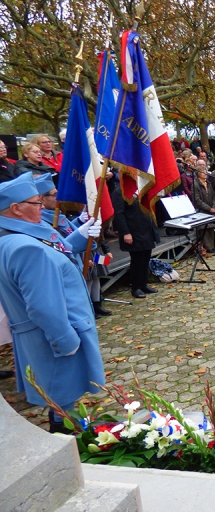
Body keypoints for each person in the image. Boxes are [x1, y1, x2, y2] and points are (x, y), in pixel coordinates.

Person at [0, 172, 105, 432]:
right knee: (63, 399)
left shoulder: (14, 238)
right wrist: (66, 341)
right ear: (16, 209)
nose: (41, 207)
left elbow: (54, 253)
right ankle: (71, 445)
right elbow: (43, 306)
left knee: (58, 398)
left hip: (40, 337)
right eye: (36, 202)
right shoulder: (27, 248)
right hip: (53, 339)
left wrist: (80, 235)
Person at [35, 174, 108, 318]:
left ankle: (96, 304)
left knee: (95, 278)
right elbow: (58, 243)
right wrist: (80, 233)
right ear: (42, 199)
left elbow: (67, 231)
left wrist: (79, 222)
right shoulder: (41, 220)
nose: (59, 197)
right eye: (55, 195)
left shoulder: (57, 215)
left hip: (79, 259)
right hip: (67, 268)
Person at [112, 187, 160, 298]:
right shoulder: (120, 191)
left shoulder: (142, 187)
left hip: (146, 229)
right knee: (137, 260)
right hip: (133, 231)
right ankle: (136, 287)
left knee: (145, 258)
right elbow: (119, 214)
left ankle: (143, 284)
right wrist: (125, 232)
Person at [191, 166, 215, 253]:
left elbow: (213, 197)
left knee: (210, 228)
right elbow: (197, 200)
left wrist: (214, 207)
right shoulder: (195, 184)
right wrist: (209, 208)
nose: (205, 174)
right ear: (198, 174)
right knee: (205, 230)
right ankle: (208, 247)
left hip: (211, 209)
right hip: (202, 210)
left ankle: (212, 246)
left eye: (205, 172)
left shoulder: (208, 183)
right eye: (203, 172)